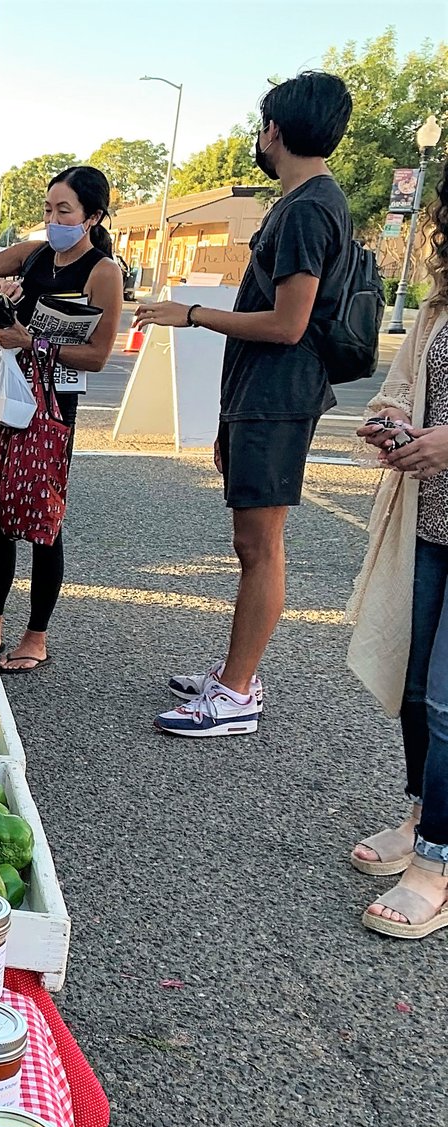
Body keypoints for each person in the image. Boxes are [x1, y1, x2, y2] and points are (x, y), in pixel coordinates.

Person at [137, 70, 354, 735]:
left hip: (278, 396)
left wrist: (192, 313)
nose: (260, 138)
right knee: (252, 542)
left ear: (276, 131)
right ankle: (236, 676)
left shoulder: (305, 209)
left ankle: (235, 695)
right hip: (265, 396)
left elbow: (289, 323)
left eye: (263, 126)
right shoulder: (312, 202)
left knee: (260, 546)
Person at [0, 166, 125, 673]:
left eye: (64, 210)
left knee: (44, 521)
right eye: (48, 209)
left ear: (92, 216)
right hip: (7, 396)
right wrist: (1, 281)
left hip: (52, 407)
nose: (53, 219)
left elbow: (96, 355)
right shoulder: (33, 254)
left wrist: (35, 341)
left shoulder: (101, 272)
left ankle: (36, 635)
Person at [345, 158, 448, 936]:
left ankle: (437, 864)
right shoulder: (441, 301)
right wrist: (391, 424)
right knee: (414, 688)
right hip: (426, 522)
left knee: (446, 701)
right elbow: (404, 385)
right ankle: (420, 816)